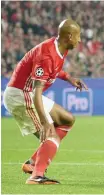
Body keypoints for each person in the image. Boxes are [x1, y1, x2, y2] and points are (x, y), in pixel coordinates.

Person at [3, 19, 88, 184]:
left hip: (28, 93)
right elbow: (36, 92)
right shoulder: (46, 54)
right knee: (51, 134)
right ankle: (36, 176)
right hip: (21, 95)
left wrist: (69, 78)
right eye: (78, 36)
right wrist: (46, 121)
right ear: (69, 36)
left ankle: (33, 163)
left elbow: (54, 69)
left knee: (67, 119)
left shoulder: (59, 48)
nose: (80, 40)